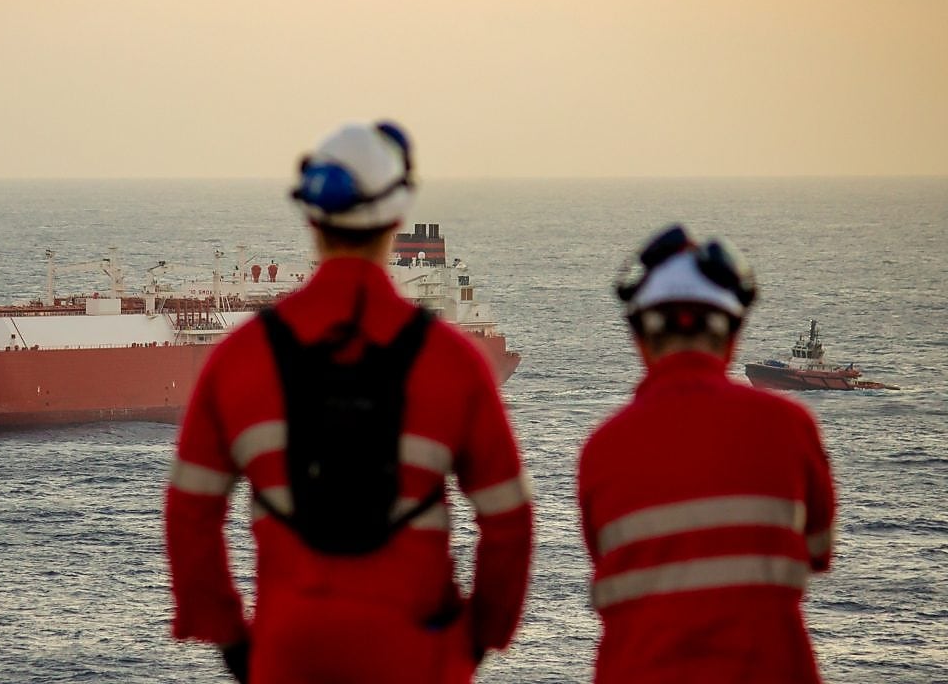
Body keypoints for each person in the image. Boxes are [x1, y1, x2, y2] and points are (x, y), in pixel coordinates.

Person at [165, 121, 534, 683]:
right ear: (397, 219)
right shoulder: (454, 361)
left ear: (311, 218)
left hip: (289, 653)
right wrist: (482, 637)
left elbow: (190, 513)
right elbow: (509, 519)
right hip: (420, 658)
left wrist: (233, 640)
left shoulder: (238, 358)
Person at [578, 224, 837, 683]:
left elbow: (612, 560)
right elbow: (819, 552)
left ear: (640, 339)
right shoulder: (791, 428)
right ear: (732, 336)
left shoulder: (602, 448)